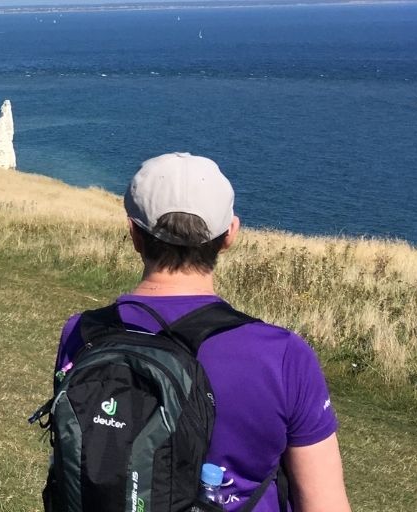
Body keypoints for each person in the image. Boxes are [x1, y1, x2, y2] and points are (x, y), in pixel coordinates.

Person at [53, 152, 350, 511]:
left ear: (133, 234)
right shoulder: (283, 356)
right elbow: (324, 502)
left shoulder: (82, 333)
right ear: (229, 235)